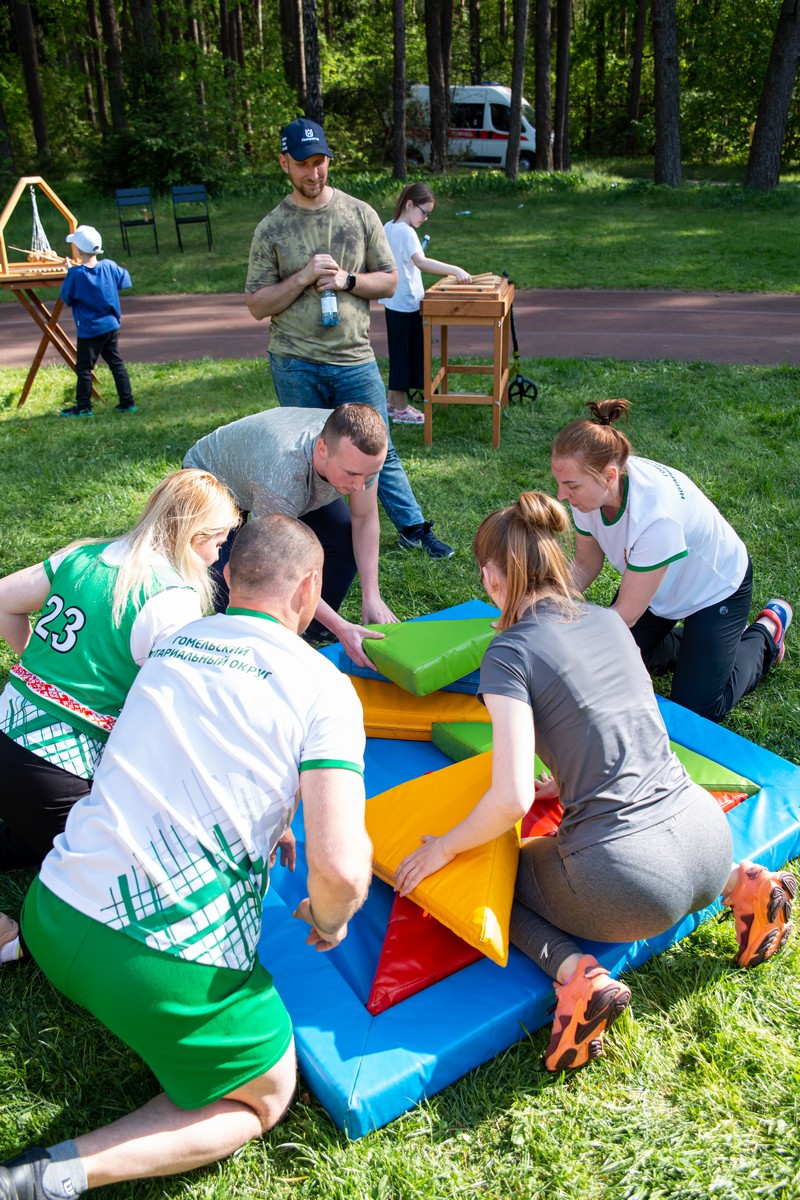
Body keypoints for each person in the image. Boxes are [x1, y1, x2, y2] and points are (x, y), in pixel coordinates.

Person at [0, 516, 373, 1199]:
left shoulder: (174, 643)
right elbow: (343, 869)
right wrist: (331, 917)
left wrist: (272, 815)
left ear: (227, 576)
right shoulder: (324, 687)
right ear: (311, 587)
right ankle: (50, 1174)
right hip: (160, 965)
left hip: (51, 911)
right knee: (264, 1093)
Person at [394, 492, 796, 1072]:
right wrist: (566, 779)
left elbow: (510, 797)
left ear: (490, 577)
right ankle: (747, 886)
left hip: (631, 886)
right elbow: (625, 724)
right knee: (662, 858)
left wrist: (445, 848)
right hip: (710, 840)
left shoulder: (507, 653)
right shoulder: (610, 620)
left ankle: (577, 977)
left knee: (490, 871)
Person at [0, 469, 240, 963]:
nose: (217, 557)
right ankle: (18, 939)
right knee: (128, 876)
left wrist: (37, 670)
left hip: (6, 728)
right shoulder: (172, 599)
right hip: (54, 767)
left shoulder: (82, 555)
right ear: (192, 536)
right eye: (217, 542)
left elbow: (5, 601)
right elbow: (172, 716)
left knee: (40, 827)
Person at [245, 117, 454, 559]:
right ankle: (316, 540)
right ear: (284, 163)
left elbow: (391, 281)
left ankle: (414, 528)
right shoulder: (272, 228)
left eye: (320, 161)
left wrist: (347, 279)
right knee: (306, 454)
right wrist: (303, 277)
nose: (314, 172)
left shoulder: (359, 214)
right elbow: (258, 304)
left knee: (379, 447)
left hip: (353, 359)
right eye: (304, 163)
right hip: (294, 361)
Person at [550, 399, 792, 721]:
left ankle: (764, 634)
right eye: (559, 483)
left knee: (696, 709)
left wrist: (562, 639)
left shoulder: (655, 516)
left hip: (715, 590)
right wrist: (543, 606)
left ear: (609, 476)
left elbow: (625, 615)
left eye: (570, 486)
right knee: (613, 663)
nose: (561, 495)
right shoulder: (590, 491)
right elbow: (585, 564)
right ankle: (700, 645)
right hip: (657, 587)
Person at [184, 403, 397, 666]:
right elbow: (273, 565)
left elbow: (363, 519)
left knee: (342, 536)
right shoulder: (283, 476)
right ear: (322, 449)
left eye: (370, 475)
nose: (359, 486)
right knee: (242, 587)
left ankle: (313, 632)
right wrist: (342, 626)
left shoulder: (359, 457)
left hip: (269, 476)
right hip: (215, 479)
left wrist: (371, 595)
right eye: (351, 474)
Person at [380, 183, 471, 426]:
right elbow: (421, 262)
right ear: (409, 205)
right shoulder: (406, 232)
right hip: (406, 303)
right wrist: (454, 270)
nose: (425, 218)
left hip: (394, 301)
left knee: (398, 354)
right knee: (403, 358)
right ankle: (401, 409)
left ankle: (391, 402)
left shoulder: (388, 227)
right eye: (424, 212)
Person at [58, 224, 137, 417]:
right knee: (116, 363)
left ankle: (83, 407)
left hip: (89, 330)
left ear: (78, 250)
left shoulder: (76, 274)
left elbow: (66, 297)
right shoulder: (109, 265)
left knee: (84, 368)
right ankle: (127, 402)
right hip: (110, 325)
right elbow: (125, 281)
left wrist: (70, 272)